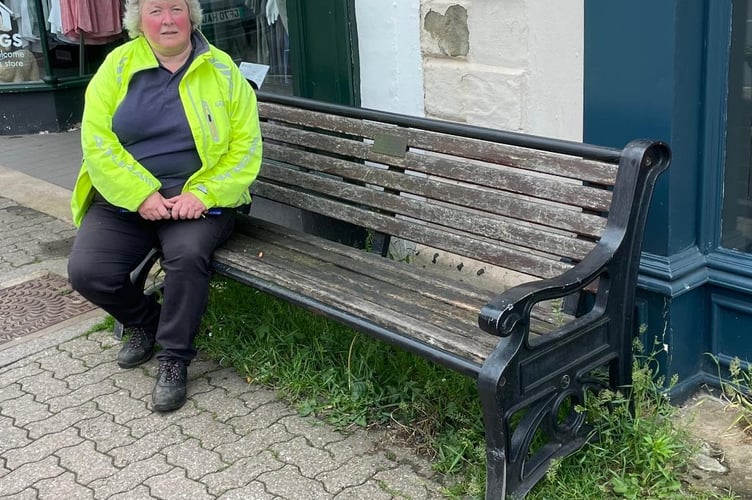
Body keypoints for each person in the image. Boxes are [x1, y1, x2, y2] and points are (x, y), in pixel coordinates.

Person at [67, 0, 263, 412]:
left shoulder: (223, 70)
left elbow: (246, 148)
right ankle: (145, 321)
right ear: (139, 21)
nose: (167, 20)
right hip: (127, 199)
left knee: (187, 255)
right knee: (88, 272)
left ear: (191, 17)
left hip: (200, 199)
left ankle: (174, 357)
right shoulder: (117, 66)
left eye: (176, 9)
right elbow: (97, 142)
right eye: (155, 10)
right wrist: (139, 194)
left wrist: (204, 194)